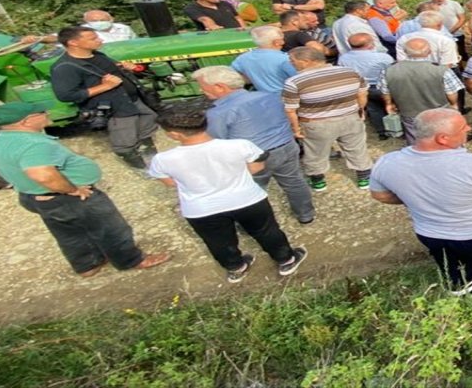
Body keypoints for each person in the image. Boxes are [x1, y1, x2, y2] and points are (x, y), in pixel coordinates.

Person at [0, 102, 171, 277]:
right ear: (27, 121)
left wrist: (12, 171)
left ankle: (87, 265)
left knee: (68, 233)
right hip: (66, 197)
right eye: (42, 112)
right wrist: (72, 190)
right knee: (111, 229)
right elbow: (43, 176)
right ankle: (131, 260)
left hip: (33, 197)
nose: (47, 114)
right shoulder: (34, 144)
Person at [369, 108, 472, 297]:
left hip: (431, 235)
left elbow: (380, 196)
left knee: (454, 271)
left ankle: (463, 299)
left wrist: (416, 198)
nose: (468, 128)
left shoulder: (387, 162)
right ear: (442, 138)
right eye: (462, 127)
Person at [148, 105, 307, 283]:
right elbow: (257, 167)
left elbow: (170, 183)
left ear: (175, 134)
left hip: (201, 209)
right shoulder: (239, 145)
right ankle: (286, 260)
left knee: (217, 241)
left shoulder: (162, 159)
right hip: (247, 199)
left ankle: (236, 267)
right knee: (266, 231)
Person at [196, 66, 315, 224]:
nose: (201, 90)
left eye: (203, 86)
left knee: (252, 190)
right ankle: (306, 214)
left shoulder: (218, 113)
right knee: (294, 181)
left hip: (253, 158)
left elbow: (217, 140)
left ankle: (258, 223)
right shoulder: (270, 96)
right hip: (286, 145)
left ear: (220, 86)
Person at [50, 26, 158, 169]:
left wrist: (128, 68)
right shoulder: (65, 67)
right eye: (93, 38)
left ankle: (152, 158)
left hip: (133, 100)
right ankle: (141, 168)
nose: (99, 40)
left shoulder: (98, 55)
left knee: (147, 124)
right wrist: (105, 86)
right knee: (125, 138)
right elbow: (66, 95)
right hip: (115, 108)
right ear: (73, 43)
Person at [282, 47, 374, 191]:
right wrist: (360, 110)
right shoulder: (350, 72)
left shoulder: (294, 82)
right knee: (357, 147)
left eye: (292, 60)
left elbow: (290, 109)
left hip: (316, 123)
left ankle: (318, 181)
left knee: (315, 152)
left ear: (305, 61)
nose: (291, 63)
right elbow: (362, 94)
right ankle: (364, 177)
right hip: (350, 117)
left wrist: (295, 128)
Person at [382, 38, 465, 144]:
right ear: (429, 51)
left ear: (405, 51)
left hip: (409, 112)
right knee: (443, 136)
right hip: (438, 111)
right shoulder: (441, 70)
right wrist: (453, 104)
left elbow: (385, 91)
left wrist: (389, 104)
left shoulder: (389, 70)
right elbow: (451, 92)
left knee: (416, 139)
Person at [338, 33, 395, 140]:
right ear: (370, 44)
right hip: (381, 87)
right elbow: (392, 72)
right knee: (392, 106)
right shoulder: (383, 57)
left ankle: (382, 132)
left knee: (374, 109)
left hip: (361, 89)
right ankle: (396, 129)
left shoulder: (343, 58)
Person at [230, 26, 297, 94]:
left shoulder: (242, 58)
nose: (283, 42)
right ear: (276, 42)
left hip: (261, 97)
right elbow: (299, 80)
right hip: (287, 96)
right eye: (282, 39)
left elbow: (233, 76)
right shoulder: (286, 59)